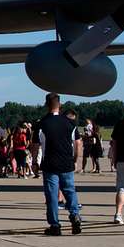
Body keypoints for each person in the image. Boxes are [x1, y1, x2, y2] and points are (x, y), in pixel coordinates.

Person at [36, 93, 83, 236]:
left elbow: (34, 145)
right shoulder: (69, 122)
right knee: (69, 190)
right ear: (59, 105)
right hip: (66, 162)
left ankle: (55, 225)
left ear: (46, 105)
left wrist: (34, 162)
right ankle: (74, 214)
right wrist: (75, 159)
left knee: (52, 195)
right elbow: (77, 143)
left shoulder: (42, 123)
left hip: (50, 163)